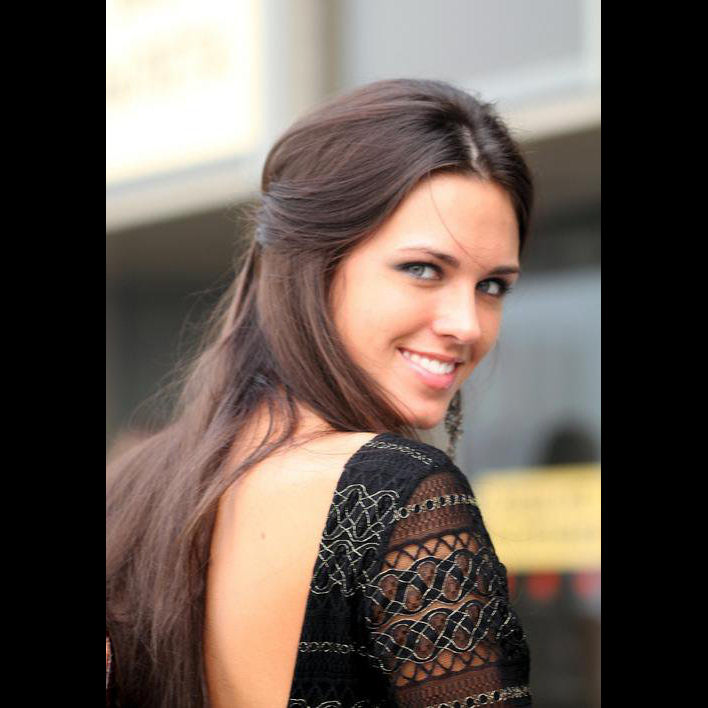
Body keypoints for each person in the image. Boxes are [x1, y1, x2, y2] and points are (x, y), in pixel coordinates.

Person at [106, 78, 534, 708]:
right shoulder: (400, 496)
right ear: (313, 264)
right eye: (422, 269)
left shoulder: (132, 489)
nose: (467, 325)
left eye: (492, 286)